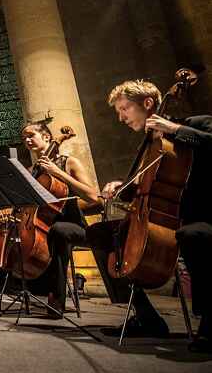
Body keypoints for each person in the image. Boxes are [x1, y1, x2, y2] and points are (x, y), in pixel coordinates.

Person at [88, 79, 212, 352]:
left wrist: (175, 129)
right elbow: (150, 186)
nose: (121, 118)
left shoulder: (196, 123)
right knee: (100, 233)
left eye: (125, 109)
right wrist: (122, 187)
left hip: (201, 212)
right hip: (162, 215)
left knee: (193, 234)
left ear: (147, 104)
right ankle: (145, 316)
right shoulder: (149, 146)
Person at [0, 121, 98, 316]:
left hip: (69, 223)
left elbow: (93, 196)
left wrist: (59, 174)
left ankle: (55, 296)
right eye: (24, 138)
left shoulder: (68, 162)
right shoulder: (32, 170)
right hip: (36, 222)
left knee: (58, 232)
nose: (27, 140)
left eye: (31, 135)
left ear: (47, 137)